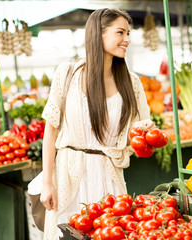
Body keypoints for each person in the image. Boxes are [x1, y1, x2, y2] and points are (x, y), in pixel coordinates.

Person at [39, 8, 154, 239]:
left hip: (110, 178)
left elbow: (142, 132)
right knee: (67, 233)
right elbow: (50, 131)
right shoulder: (67, 73)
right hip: (69, 176)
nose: (127, 40)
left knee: (112, 232)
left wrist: (148, 136)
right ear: (97, 34)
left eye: (128, 33)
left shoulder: (131, 82)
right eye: (120, 32)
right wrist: (47, 182)